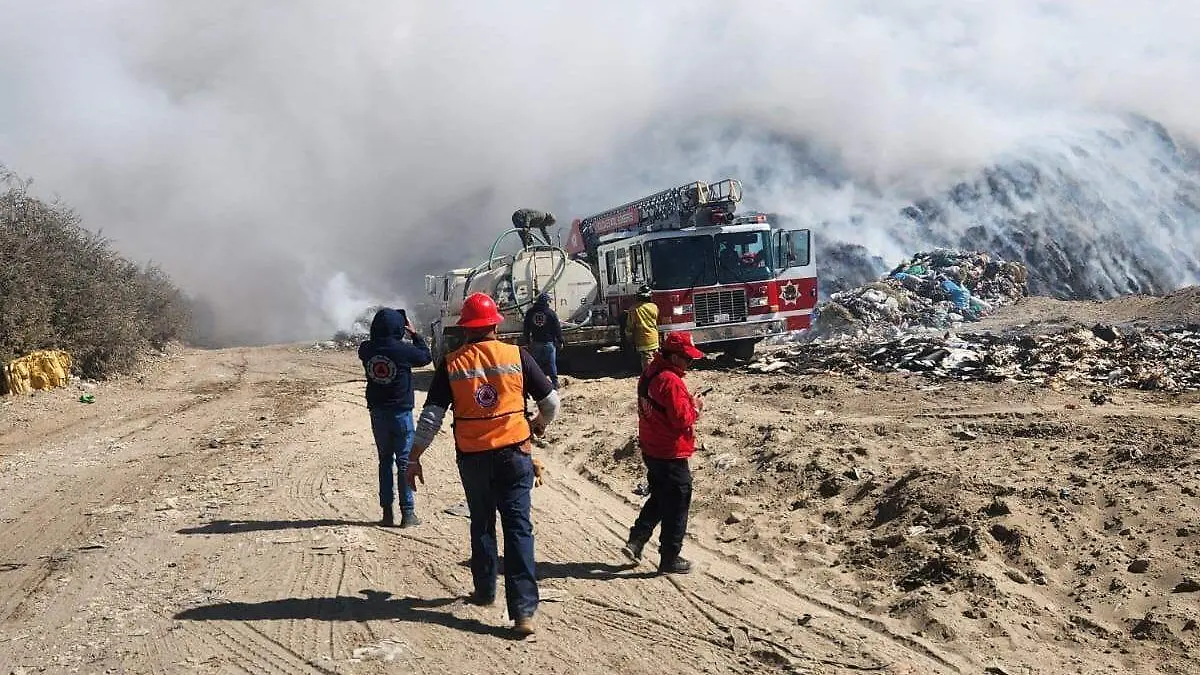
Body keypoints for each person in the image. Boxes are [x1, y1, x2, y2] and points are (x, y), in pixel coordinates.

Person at [407, 292, 559, 637]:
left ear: (465, 329)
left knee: (482, 522)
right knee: (518, 527)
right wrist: (538, 424)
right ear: (494, 324)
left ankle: (486, 591)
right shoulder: (517, 356)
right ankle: (523, 612)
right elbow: (550, 402)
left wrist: (414, 457)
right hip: (515, 456)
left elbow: (431, 418)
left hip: (474, 459)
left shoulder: (452, 363)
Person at [622, 331, 705, 575]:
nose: (690, 364)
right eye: (687, 359)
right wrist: (696, 407)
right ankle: (670, 557)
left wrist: (685, 400)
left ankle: (636, 541)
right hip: (671, 451)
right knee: (678, 502)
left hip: (652, 447)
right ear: (675, 357)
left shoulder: (650, 372)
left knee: (659, 496)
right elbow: (682, 419)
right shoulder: (670, 380)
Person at [358, 308, 433, 528]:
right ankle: (408, 513)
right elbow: (426, 357)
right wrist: (415, 334)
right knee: (403, 462)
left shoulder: (367, 350)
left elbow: (365, 348)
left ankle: (387, 512)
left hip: (377, 413)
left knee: (384, 461)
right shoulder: (403, 351)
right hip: (401, 413)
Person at [523, 293, 563, 389]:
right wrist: (560, 341)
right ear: (546, 301)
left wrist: (527, 341)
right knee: (551, 363)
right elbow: (557, 329)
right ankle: (555, 383)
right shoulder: (550, 313)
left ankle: (535, 384)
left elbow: (526, 328)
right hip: (549, 343)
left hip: (536, 342)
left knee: (535, 365)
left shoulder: (530, 312)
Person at [625, 285, 659, 372]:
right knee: (655, 358)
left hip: (643, 339)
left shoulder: (634, 309)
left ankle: (649, 376)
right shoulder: (654, 307)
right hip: (654, 337)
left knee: (647, 360)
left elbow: (630, 326)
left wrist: (629, 337)